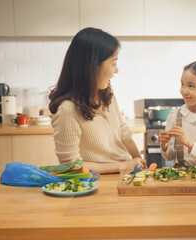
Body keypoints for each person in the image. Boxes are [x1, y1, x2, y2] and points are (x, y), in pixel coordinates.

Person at [48, 27, 145, 174]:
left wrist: (140, 163)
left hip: (125, 175)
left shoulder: (107, 93)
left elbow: (124, 134)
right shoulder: (68, 110)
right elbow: (71, 166)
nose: (116, 70)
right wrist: (121, 166)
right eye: (113, 63)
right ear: (92, 66)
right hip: (98, 181)